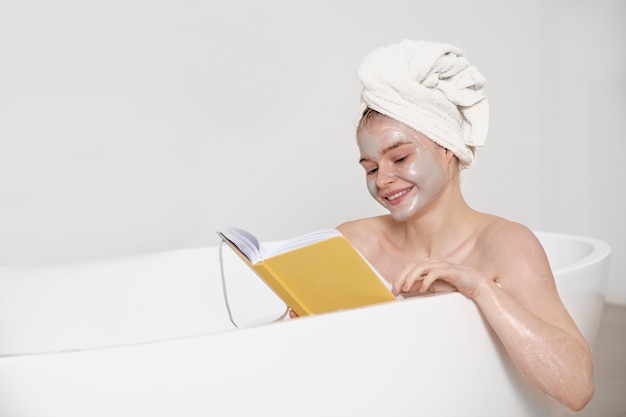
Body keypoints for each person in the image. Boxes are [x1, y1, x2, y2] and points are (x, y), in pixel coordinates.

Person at [327, 40, 593, 411]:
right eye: (370, 168)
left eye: (399, 157)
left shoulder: (505, 246)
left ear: (447, 148)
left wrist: (480, 288)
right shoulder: (352, 243)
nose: (382, 179)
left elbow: (576, 387)